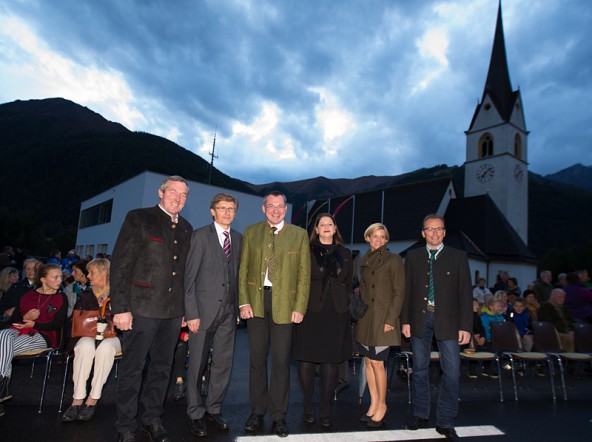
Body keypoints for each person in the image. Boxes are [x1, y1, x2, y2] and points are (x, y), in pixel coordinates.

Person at [110, 176, 193, 442]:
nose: (177, 198)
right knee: (132, 369)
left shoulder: (187, 228)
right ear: (160, 193)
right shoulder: (139, 218)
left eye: (183, 194)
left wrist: (184, 311)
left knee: (162, 369)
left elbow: (183, 274)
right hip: (140, 310)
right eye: (173, 192)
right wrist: (121, 308)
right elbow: (121, 265)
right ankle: (125, 425)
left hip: (171, 313)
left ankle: (152, 419)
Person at [239, 191, 310, 438]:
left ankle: (279, 415)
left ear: (286, 209)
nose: (276, 210)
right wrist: (243, 302)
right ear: (263, 208)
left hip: (285, 305)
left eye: (280, 206)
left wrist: (299, 306)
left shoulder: (299, 235)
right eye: (271, 206)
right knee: (257, 360)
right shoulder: (251, 232)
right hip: (256, 303)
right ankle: (257, 411)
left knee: (280, 362)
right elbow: (243, 269)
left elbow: (304, 274)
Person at [402, 214, 472, 441]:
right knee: (419, 370)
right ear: (423, 233)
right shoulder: (412, 257)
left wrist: (466, 326)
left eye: (439, 229)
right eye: (430, 229)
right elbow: (407, 292)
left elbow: (465, 293)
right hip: (419, 320)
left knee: (451, 372)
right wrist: (405, 321)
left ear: (444, 232)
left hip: (449, 322)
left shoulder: (458, 257)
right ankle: (420, 414)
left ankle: (446, 420)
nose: (434, 233)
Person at [184, 193, 243, 437]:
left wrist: (238, 308)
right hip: (203, 312)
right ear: (212, 211)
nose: (227, 213)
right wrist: (191, 313)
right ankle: (195, 412)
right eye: (222, 208)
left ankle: (214, 408)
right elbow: (189, 279)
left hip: (229, 313)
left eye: (231, 209)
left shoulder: (239, 239)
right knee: (197, 364)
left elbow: (238, 275)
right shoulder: (200, 236)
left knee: (222, 364)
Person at [292, 213, 354, 427]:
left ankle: (325, 407)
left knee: (331, 361)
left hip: (337, 312)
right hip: (310, 311)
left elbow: (347, 283)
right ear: (316, 230)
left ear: (335, 228)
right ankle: (308, 404)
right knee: (306, 359)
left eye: (330, 224)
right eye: (322, 225)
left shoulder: (345, 253)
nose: (326, 227)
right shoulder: (306, 252)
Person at [354, 222, 404, 428]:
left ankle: (382, 405)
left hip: (384, 319)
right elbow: (363, 289)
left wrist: (391, 320)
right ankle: (373, 403)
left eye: (383, 236)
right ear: (368, 238)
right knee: (368, 362)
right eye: (375, 236)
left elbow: (399, 292)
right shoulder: (364, 260)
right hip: (367, 319)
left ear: (387, 239)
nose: (379, 240)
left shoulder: (394, 260)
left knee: (378, 363)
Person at [0, 264, 67, 409]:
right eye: (55, 277)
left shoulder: (61, 298)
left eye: (61, 277)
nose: (60, 280)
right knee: (3, 334)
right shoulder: (28, 295)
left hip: (42, 335)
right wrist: (25, 316)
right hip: (17, 330)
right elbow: (13, 319)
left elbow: (58, 324)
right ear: (43, 279)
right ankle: (2, 387)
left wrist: (34, 325)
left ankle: (2, 387)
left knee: (3, 348)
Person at [61, 258, 121, 422]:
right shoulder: (86, 294)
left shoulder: (119, 293)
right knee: (84, 346)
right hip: (88, 334)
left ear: (105, 273)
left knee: (105, 349)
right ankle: (77, 399)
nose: (88, 276)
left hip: (115, 336)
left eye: (92, 272)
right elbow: (75, 321)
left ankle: (93, 399)